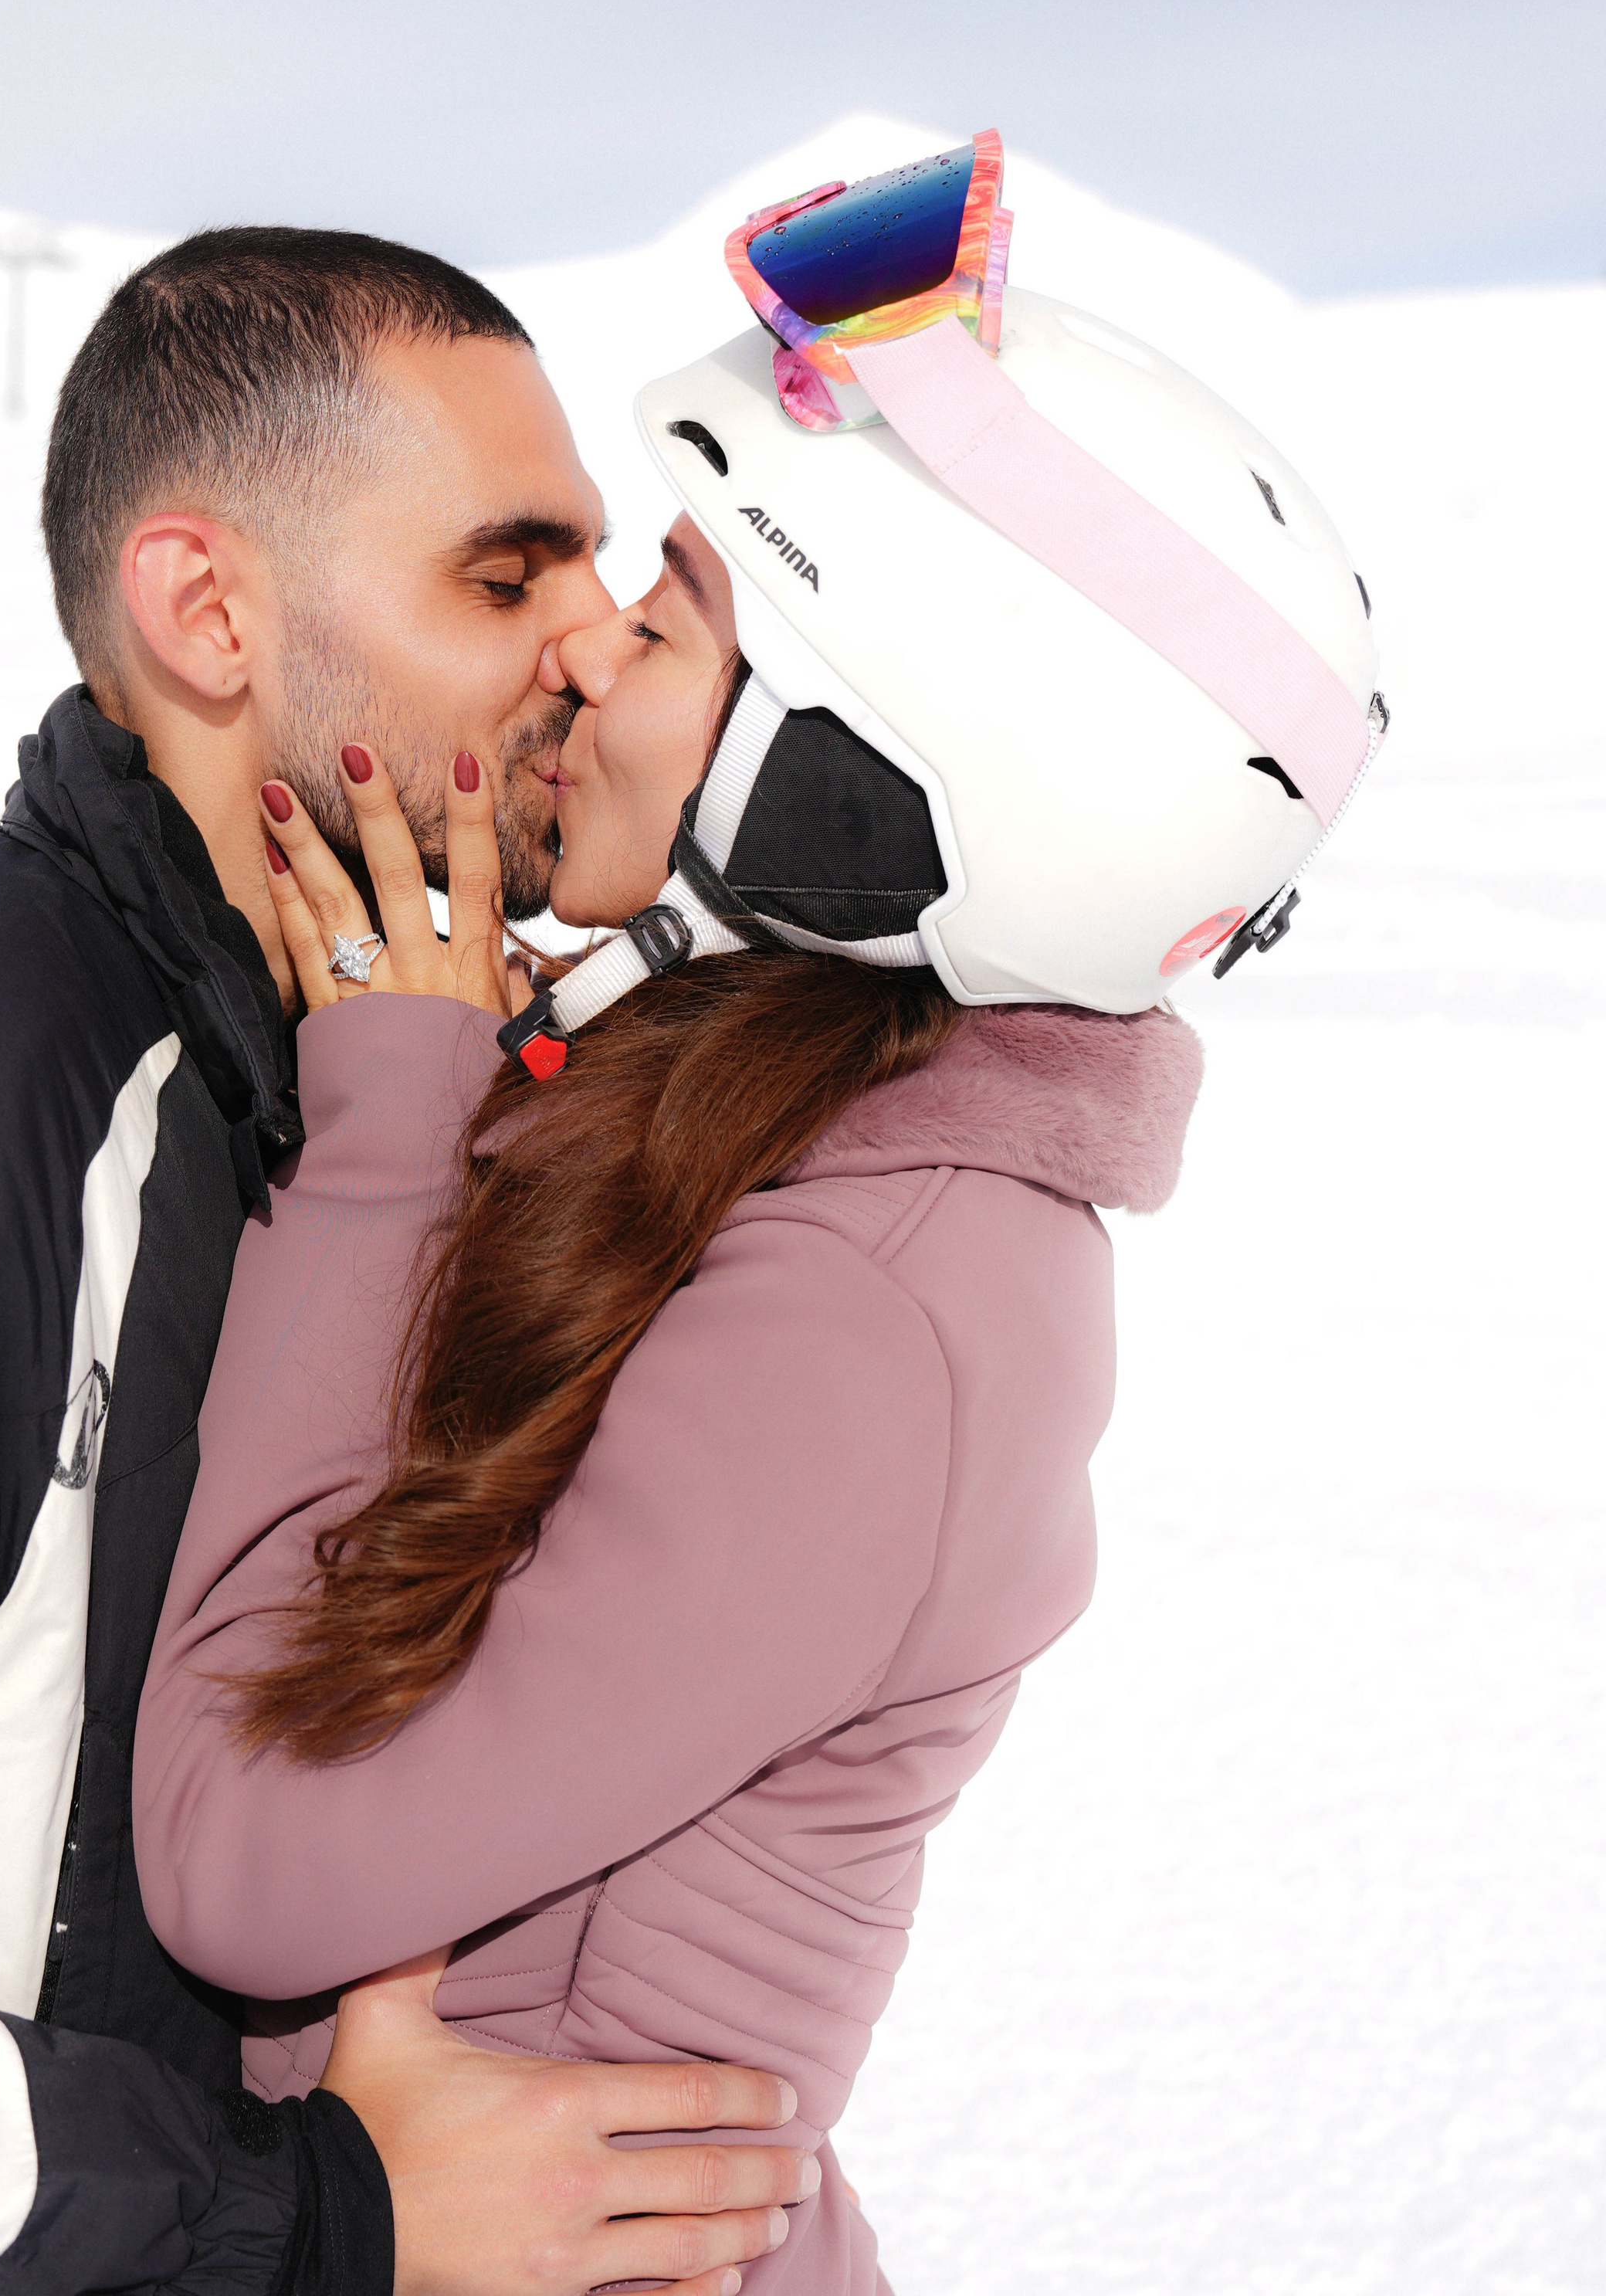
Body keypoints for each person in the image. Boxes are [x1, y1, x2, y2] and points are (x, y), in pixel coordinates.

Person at [134, 148, 1387, 2288]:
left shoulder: (880, 1323)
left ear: (848, 792)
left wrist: (389, 1139)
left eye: (668, 623)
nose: (587, 651)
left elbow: (249, 1862)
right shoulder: (769, 1129)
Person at [0, 231, 808, 2296]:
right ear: (208, 611)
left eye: (600, 572)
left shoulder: (402, 1079)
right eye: (505, 578)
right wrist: (318, 2217)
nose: (594, 644)